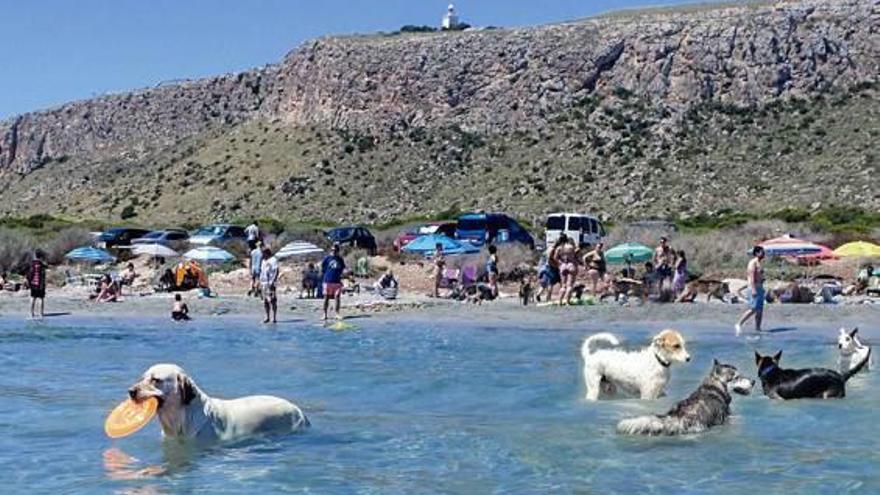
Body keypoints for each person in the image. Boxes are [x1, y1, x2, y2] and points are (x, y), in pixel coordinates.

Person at [736, 246, 766, 335]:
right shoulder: (752, 263)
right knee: (753, 308)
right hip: (754, 287)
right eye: (762, 252)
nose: (764, 254)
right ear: (757, 253)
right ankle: (739, 323)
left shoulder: (759, 263)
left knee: (760, 309)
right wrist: (753, 289)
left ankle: (758, 328)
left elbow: (759, 275)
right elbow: (751, 277)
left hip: (760, 287)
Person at [321, 243, 346, 321]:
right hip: (327, 281)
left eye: (335, 250)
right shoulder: (327, 259)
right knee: (326, 298)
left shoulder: (340, 259)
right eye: (332, 250)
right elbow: (323, 268)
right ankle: (324, 314)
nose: (333, 252)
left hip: (337, 281)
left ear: (338, 251)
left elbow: (342, 269)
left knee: (337, 297)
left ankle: (337, 313)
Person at [536, 237, 564, 302]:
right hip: (551, 268)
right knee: (550, 284)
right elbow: (550, 259)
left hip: (545, 267)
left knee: (544, 283)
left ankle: (538, 294)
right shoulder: (553, 249)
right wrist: (557, 264)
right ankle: (548, 298)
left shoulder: (549, 248)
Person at [554, 234, 579, 305]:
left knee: (563, 285)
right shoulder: (571, 247)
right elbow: (575, 256)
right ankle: (567, 301)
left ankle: (560, 301)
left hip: (563, 265)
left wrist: (560, 263)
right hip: (571, 264)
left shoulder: (559, 248)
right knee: (570, 285)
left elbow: (555, 258)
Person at [259, 247, 279, 324]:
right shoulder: (263, 261)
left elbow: (276, 271)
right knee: (265, 300)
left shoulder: (273, 260)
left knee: (272, 300)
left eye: (263, 253)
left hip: (270, 282)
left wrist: (273, 281)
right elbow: (262, 272)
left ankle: (274, 317)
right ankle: (267, 316)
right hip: (263, 282)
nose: (262, 255)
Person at [27, 250, 47, 319]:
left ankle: (31, 313)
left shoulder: (32, 264)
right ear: (41, 257)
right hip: (40, 284)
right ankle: (41, 313)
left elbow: (29, 274)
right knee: (41, 299)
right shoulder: (42, 265)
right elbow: (43, 275)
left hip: (33, 284)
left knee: (33, 298)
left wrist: (29, 283)